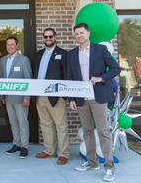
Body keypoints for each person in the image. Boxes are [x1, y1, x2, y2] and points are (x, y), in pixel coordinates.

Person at [67, 23, 120, 182]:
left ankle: (109, 168)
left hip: (98, 98)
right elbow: (70, 78)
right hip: (81, 100)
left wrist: (101, 78)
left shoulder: (100, 50)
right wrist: (71, 99)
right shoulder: (72, 54)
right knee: (88, 132)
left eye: (81, 33)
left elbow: (115, 68)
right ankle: (92, 162)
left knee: (103, 131)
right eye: (76, 34)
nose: (79, 36)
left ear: (88, 33)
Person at [33, 28, 69, 165]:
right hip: (40, 95)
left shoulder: (63, 54)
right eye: (45, 37)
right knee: (45, 124)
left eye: (50, 36)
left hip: (56, 96)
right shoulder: (38, 55)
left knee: (61, 125)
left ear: (55, 37)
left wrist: (64, 95)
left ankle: (64, 153)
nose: (48, 39)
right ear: (43, 38)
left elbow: (66, 75)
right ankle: (50, 150)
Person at [0, 36, 32, 159]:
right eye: (8, 44)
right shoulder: (3, 60)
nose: (10, 47)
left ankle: (24, 147)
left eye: (12, 44)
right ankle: (16, 144)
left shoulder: (24, 60)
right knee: (13, 122)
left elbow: (28, 79)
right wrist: (2, 95)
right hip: (8, 97)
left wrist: (27, 97)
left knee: (23, 122)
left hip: (20, 97)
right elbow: (3, 78)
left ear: (17, 45)